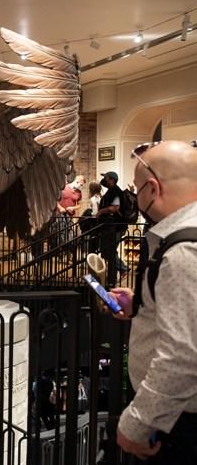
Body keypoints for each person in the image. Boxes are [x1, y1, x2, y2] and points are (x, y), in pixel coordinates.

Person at [106, 141, 197, 464]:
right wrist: (143, 302)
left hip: (176, 426)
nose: (135, 197)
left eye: (136, 188)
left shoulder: (183, 252)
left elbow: (182, 356)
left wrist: (137, 423)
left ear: (153, 189)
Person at [96, 171, 127, 286]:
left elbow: (115, 207)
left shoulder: (115, 191)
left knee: (110, 251)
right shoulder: (111, 191)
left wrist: (101, 212)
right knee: (108, 251)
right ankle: (113, 276)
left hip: (115, 227)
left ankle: (119, 272)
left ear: (112, 180)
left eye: (106, 178)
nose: (104, 180)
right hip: (110, 227)